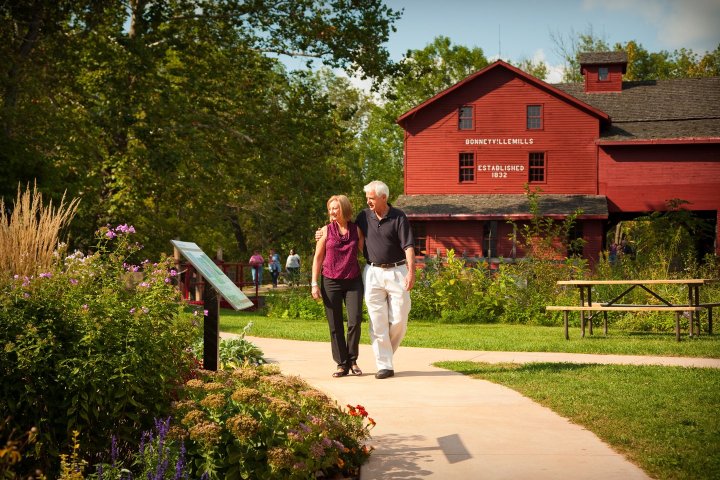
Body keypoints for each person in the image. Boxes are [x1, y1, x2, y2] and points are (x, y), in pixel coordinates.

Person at [318, 181, 416, 379]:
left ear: (383, 198)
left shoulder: (398, 216)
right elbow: (343, 227)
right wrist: (322, 232)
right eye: (367, 198)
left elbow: (409, 247)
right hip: (373, 272)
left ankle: (385, 351)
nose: (368, 202)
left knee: (399, 317)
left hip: (397, 270)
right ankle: (384, 364)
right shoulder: (364, 216)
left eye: (371, 198)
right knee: (377, 319)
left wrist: (411, 272)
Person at [311, 195, 365, 378]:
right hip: (330, 281)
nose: (332, 212)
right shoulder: (325, 231)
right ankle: (342, 364)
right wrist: (314, 283)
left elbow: (367, 251)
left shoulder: (356, 230)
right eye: (330, 209)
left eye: (336, 208)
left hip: (353, 281)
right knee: (335, 324)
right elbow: (318, 258)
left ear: (344, 208)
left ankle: (353, 360)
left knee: (355, 320)